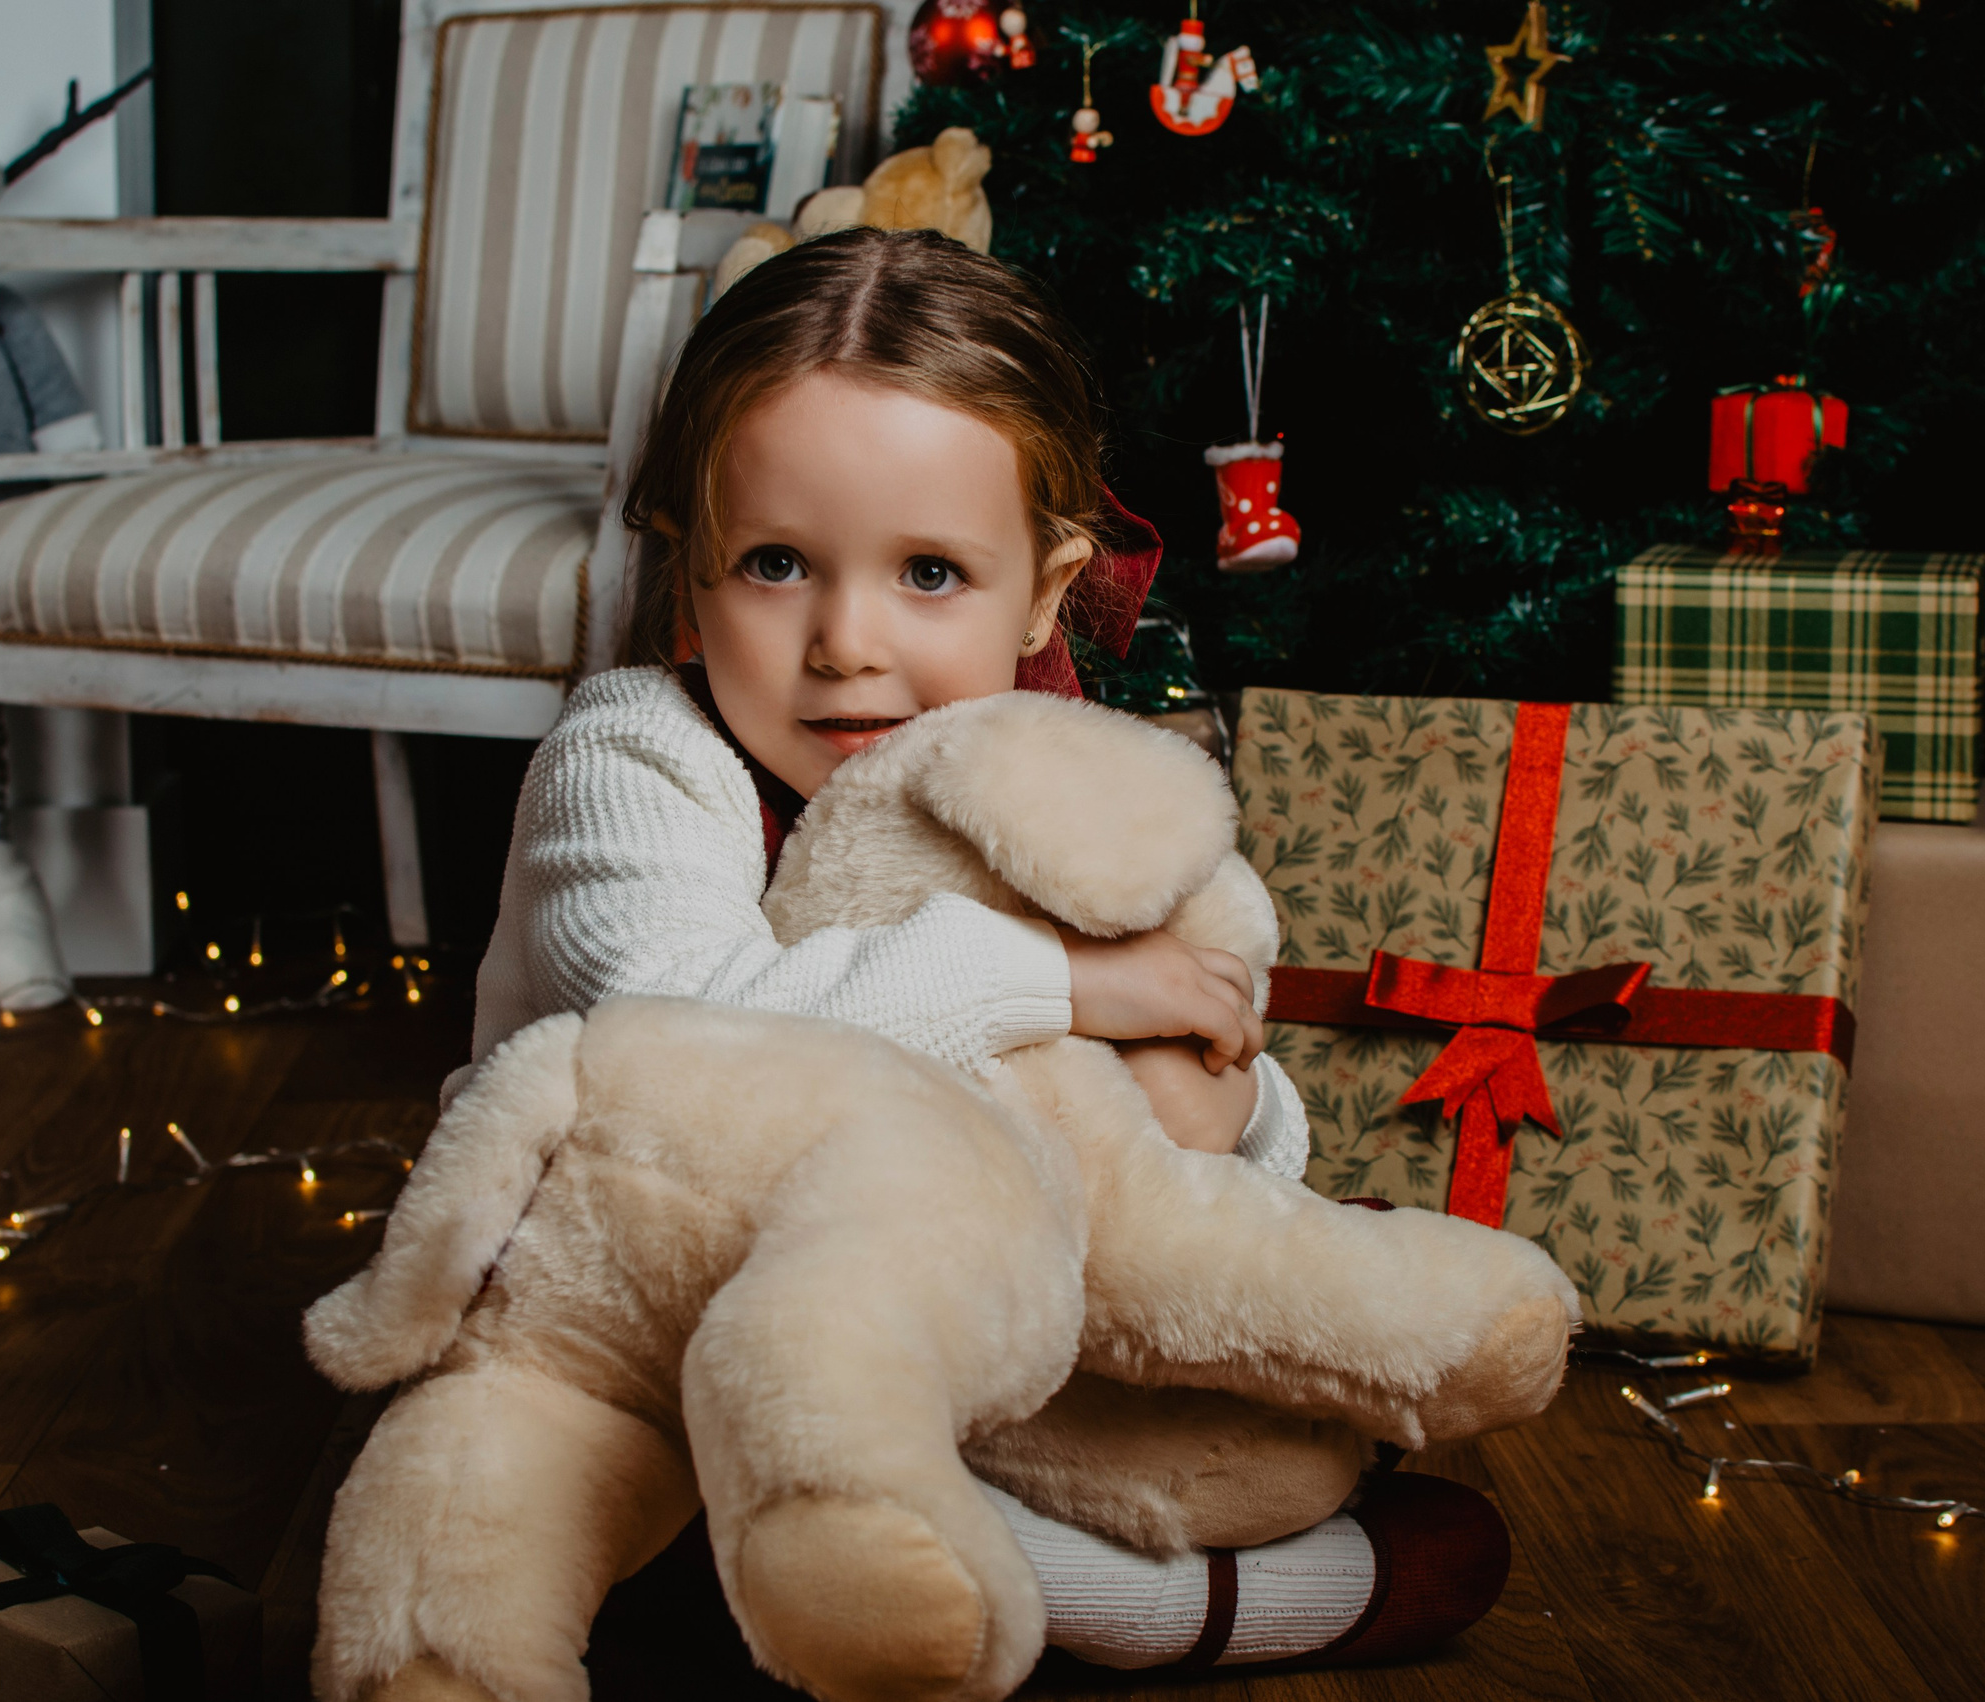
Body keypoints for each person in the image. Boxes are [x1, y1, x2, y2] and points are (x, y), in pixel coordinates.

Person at [451, 225, 1506, 1672]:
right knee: (736, 1458)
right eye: (775, 564)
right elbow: (691, 1033)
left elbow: (1200, 1047)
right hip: (641, 1306)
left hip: (954, 1295)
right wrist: (1059, 988)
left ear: (1046, 587)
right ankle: (1185, 1609)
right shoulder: (639, 754)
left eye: (930, 572)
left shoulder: (1048, 772)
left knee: (1169, 1289)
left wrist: (1230, 1112)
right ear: (686, 572)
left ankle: (1156, 1512)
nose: (845, 641)